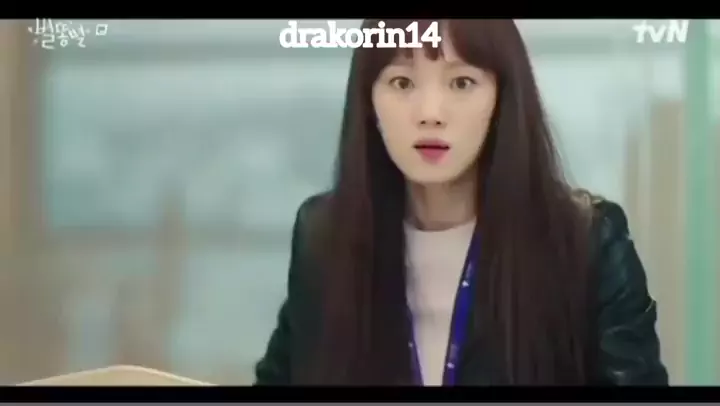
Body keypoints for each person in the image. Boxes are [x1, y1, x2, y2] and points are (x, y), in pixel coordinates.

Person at [254, 19, 668, 386]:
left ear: (502, 98)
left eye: (462, 83)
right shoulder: (324, 238)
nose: (430, 113)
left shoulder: (586, 244)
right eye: (402, 83)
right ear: (368, 101)